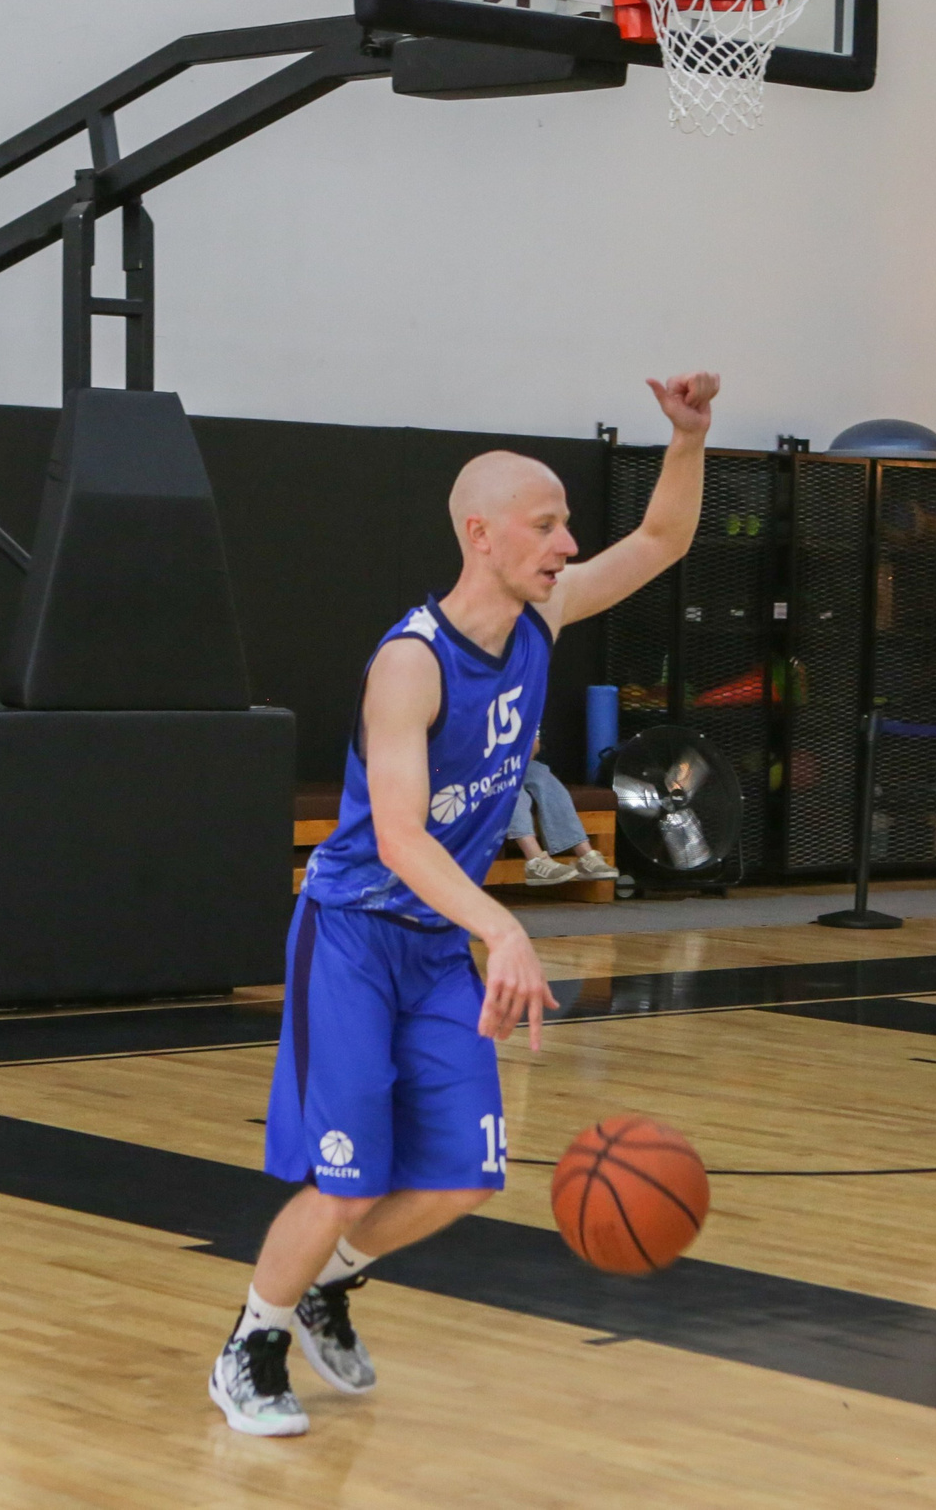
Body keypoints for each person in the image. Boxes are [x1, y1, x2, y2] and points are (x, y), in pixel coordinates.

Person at [208, 372, 719, 1437]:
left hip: (441, 943)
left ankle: (326, 1284)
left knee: (465, 1175)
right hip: (353, 936)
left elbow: (662, 541)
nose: (567, 544)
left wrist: (688, 438)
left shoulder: (544, 617)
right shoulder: (410, 665)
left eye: (567, 524)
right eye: (546, 525)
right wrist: (504, 924)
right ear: (480, 535)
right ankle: (251, 1343)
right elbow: (400, 837)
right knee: (348, 1180)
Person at [507, 736, 615, 885]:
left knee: (540, 773)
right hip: (481, 772)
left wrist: (529, 744)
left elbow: (534, 750)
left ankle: (585, 856)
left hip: (512, 762)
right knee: (511, 787)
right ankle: (535, 861)